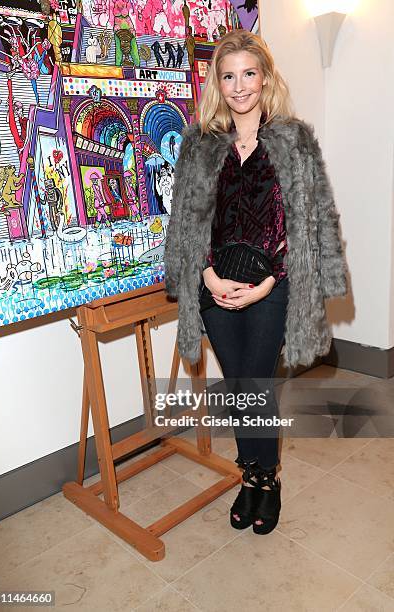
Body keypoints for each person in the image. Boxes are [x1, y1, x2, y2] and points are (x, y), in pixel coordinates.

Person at [164, 30, 348, 535]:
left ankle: (266, 480)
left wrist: (268, 283)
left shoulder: (293, 140)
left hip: (272, 284)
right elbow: (187, 221)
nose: (240, 86)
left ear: (265, 78)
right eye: (229, 76)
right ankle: (253, 475)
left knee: (256, 385)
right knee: (240, 388)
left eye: (249, 73)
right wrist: (206, 274)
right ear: (217, 84)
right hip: (215, 284)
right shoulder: (199, 144)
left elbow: (308, 223)